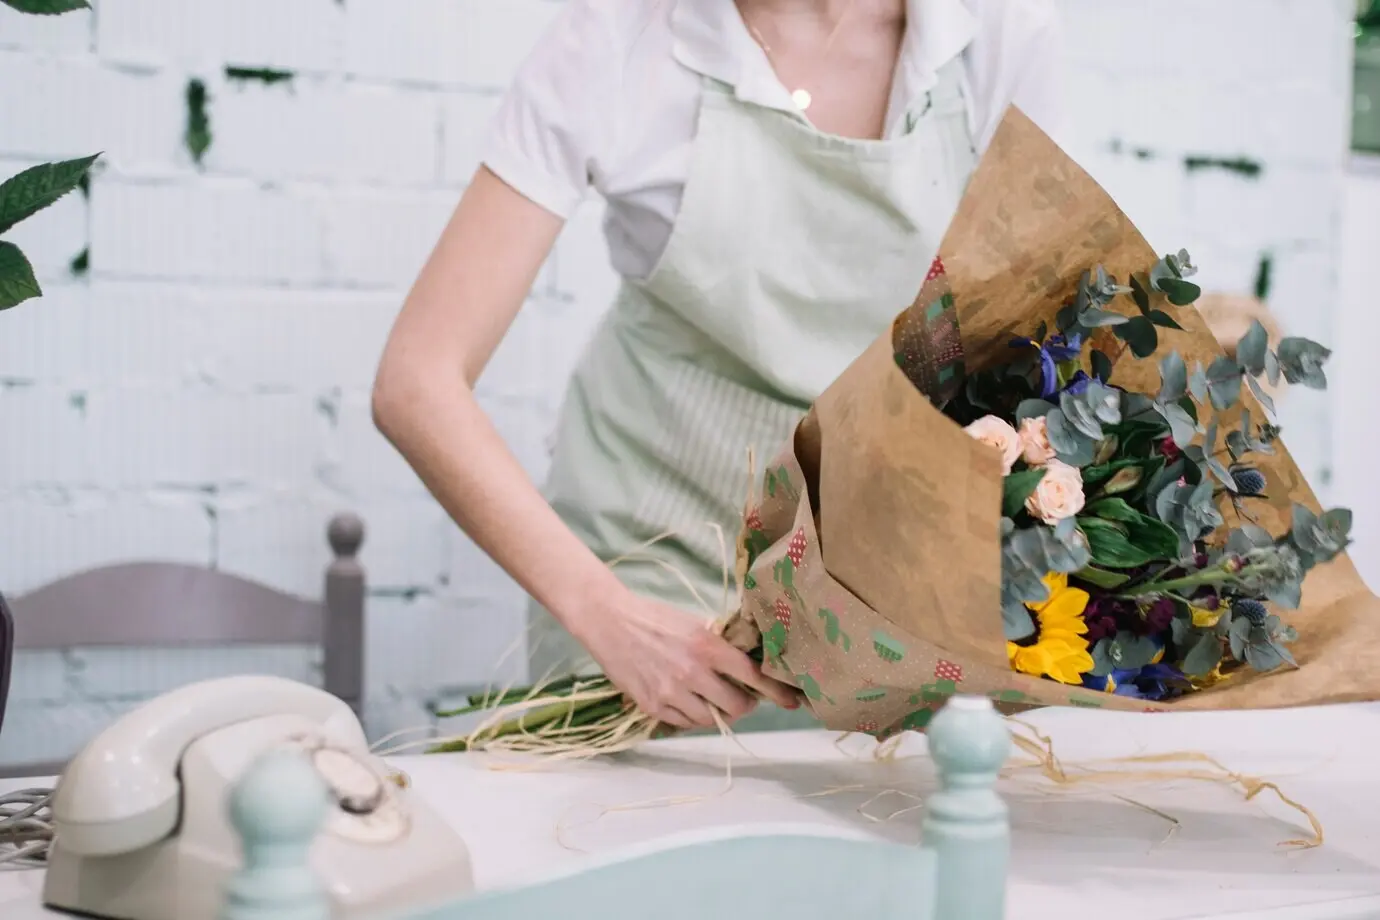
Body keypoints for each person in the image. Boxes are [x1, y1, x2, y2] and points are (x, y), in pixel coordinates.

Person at [372, 0, 1065, 733]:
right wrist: (607, 615)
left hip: (874, 599)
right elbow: (417, 383)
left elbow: (1041, 345)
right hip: (649, 579)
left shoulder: (993, 35)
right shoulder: (618, 40)